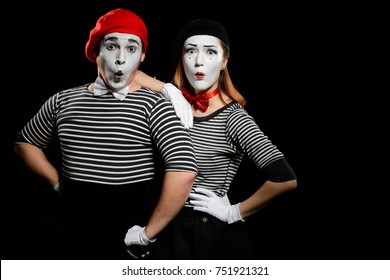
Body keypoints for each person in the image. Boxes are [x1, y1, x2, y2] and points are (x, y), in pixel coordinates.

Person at [13, 8, 197, 259]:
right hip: (73, 238)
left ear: (142, 56)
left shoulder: (153, 105)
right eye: (111, 47)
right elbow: (25, 143)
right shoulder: (62, 101)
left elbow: (184, 170)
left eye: (131, 49)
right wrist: (58, 183)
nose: (121, 59)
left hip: (129, 241)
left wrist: (146, 234)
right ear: (95, 51)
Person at [134, 18, 298, 259]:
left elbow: (285, 179)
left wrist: (233, 212)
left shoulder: (233, 118)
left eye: (210, 52)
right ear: (182, 58)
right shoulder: (172, 104)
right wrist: (168, 90)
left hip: (205, 236)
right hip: (164, 227)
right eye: (191, 51)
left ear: (224, 62)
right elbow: (125, 72)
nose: (199, 61)